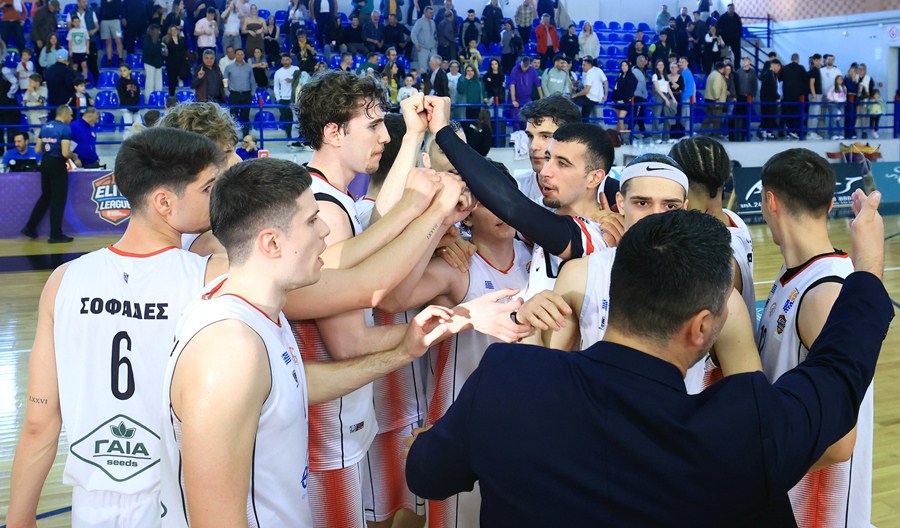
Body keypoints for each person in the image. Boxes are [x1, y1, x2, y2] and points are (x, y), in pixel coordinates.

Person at [406, 189, 891, 525]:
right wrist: (867, 266)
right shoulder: (748, 428)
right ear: (702, 327)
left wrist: (437, 440)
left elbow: (427, 474)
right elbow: (839, 368)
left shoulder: (509, 377)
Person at [9, 127, 228, 527]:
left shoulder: (63, 280)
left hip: (92, 502)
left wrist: (20, 517)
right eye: (209, 188)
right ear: (164, 202)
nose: (219, 197)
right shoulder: (211, 277)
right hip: (176, 496)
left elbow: (40, 423)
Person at [292, 72, 476, 528]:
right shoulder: (324, 209)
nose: (384, 135)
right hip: (327, 426)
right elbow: (349, 342)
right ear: (334, 132)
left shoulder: (329, 197)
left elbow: (379, 227)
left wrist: (414, 136)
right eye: (373, 125)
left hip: (340, 416)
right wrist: (453, 322)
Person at [757, 149, 875, 528]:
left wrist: (757, 475)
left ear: (770, 202)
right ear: (828, 204)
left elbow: (840, 443)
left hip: (815, 507)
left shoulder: (825, 294)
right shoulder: (797, 272)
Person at [21, 105, 80, 242]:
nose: (71, 118)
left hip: (45, 162)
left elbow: (37, 149)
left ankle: (30, 227)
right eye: (71, 116)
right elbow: (65, 153)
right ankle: (55, 235)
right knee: (58, 200)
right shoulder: (65, 129)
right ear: (65, 115)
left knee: (46, 196)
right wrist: (75, 156)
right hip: (57, 164)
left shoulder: (45, 127)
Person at [514, 93, 581, 204]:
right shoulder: (515, 189)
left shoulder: (602, 190)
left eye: (545, 136)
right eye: (530, 136)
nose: (533, 146)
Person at [223, 48, 255, 136]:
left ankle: (246, 136)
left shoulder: (248, 67)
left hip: (246, 94)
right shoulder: (229, 67)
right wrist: (226, 91)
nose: (240, 56)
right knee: (233, 116)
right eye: (238, 54)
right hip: (234, 94)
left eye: (241, 54)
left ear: (244, 55)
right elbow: (225, 80)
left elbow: (252, 81)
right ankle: (233, 136)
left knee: (245, 116)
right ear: (235, 55)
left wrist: (252, 93)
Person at [780, 53, 807, 139]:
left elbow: (780, 79)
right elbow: (805, 80)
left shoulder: (785, 68)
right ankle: (795, 131)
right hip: (798, 97)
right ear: (798, 59)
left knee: (787, 115)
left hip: (787, 96)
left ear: (791, 59)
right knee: (797, 115)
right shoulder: (801, 68)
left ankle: (789, 131)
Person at [508, 55, 542, 125]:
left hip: (527, 98)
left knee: (528, 119)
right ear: (521, 63)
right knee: (515, 119)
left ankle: (526, 131)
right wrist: (513, 100)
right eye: (523, 66)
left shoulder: (532, 70)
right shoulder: (515, 69)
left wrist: (542, 98)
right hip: (516, 97)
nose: (524, 69)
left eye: (526, 67)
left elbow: (538, 85)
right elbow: (512, 85)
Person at [273, 52, 298, 138]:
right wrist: (279, 99)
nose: (285, 61)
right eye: (283, 60)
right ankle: (290, 139)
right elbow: (276, 87)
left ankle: (298, 139)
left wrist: (292, 80)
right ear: (281, 61)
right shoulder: (278, 72)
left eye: (287, 60)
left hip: (295, 99)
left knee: (297, 121)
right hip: (283, 100)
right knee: (287, 121)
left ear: (290, 60)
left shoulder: (296, 69)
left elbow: (300, 80)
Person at [611, 59, 637, 135]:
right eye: (622, 65)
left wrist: (625, 100)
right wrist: (614, 99)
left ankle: (622, 138)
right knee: (619, 120)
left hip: (626, 102)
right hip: (618, 101)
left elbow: (631, 91)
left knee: (621, 119)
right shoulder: (620, 75)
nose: (624, 67)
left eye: (625, 65)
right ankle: (617, 137)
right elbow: (615, 88)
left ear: (628, 66)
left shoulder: (632, 77)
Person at [163, 24, 190, 96]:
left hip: (181, 61)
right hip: (171, 62)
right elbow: (164, 51)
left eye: (175, 30)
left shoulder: (182, 39)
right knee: (172, 80)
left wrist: (186, 57)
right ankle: (172, 96)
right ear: (170, 31)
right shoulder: (166, 40)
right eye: (172, 30)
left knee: (184, 73)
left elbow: (186, 49)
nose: (174, 31)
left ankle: (180, 78)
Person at [701, 60, 726, 136]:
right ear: (721, 68)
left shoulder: (711, 74)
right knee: (717, 118)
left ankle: (702, 131)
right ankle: (716, 134)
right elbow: (716, 87)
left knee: (709, 116)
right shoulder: (718, 76)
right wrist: (717, 98)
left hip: (709, 98)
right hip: (715, 100)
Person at [758, 58, 781, 140]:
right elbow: (772, 88)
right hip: (770, 100)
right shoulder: (770, 75)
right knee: (770, 116)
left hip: (765, 100)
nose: (779, 69)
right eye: (778, 66)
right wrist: (777, 97)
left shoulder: (766, 74)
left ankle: (765, 131)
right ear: (774, 65)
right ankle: (768, 132)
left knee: (766, 116)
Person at [411, 6, 437, 71]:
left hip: (433, 48)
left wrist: (436, 43)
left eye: (432, 13)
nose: (431, 14)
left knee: (435, 67)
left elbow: (434, 34)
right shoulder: (420, 22)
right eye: (430, 13)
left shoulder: (433, 22)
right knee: (423, 68)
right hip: (423, 48)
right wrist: (416, 44)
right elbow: (413, 33)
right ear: (425, 13)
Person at [99, 0, 124, 66]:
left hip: (115, 21)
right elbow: (101, 11)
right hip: (104, 21)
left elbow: (119, 9)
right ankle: (109, 60)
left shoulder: (117, 1)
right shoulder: (103, 1)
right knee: (108, 42)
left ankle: (120, 58)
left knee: (118, 40)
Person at [142, 24, 164, 94]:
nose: (160, 32)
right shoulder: (146, 39)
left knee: (158, 82)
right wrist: (159, 47)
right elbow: (149, 50)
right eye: (158, 31)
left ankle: (158, 96)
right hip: (149, 63)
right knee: (150, 82)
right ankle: (149, 98)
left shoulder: (159, 40)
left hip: (158, 63)